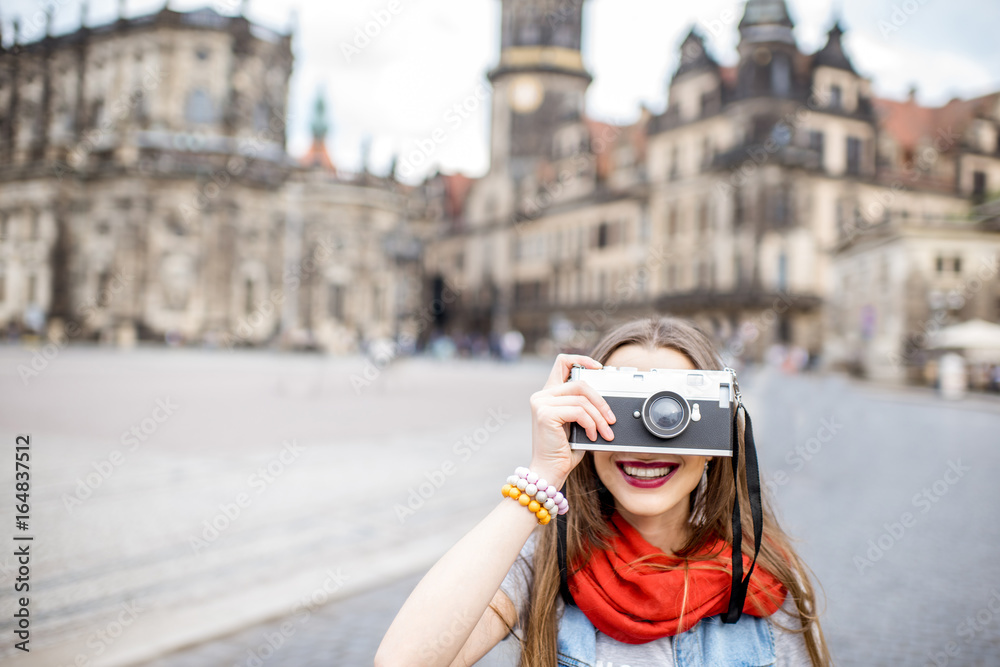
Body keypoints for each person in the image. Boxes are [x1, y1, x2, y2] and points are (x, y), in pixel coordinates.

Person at [377, 317, 830, 666]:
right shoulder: (547, 568)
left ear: (718, 437)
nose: (648, 444)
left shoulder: (764, 578)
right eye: (621, 409)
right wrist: (544, 471)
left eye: (675, 414)